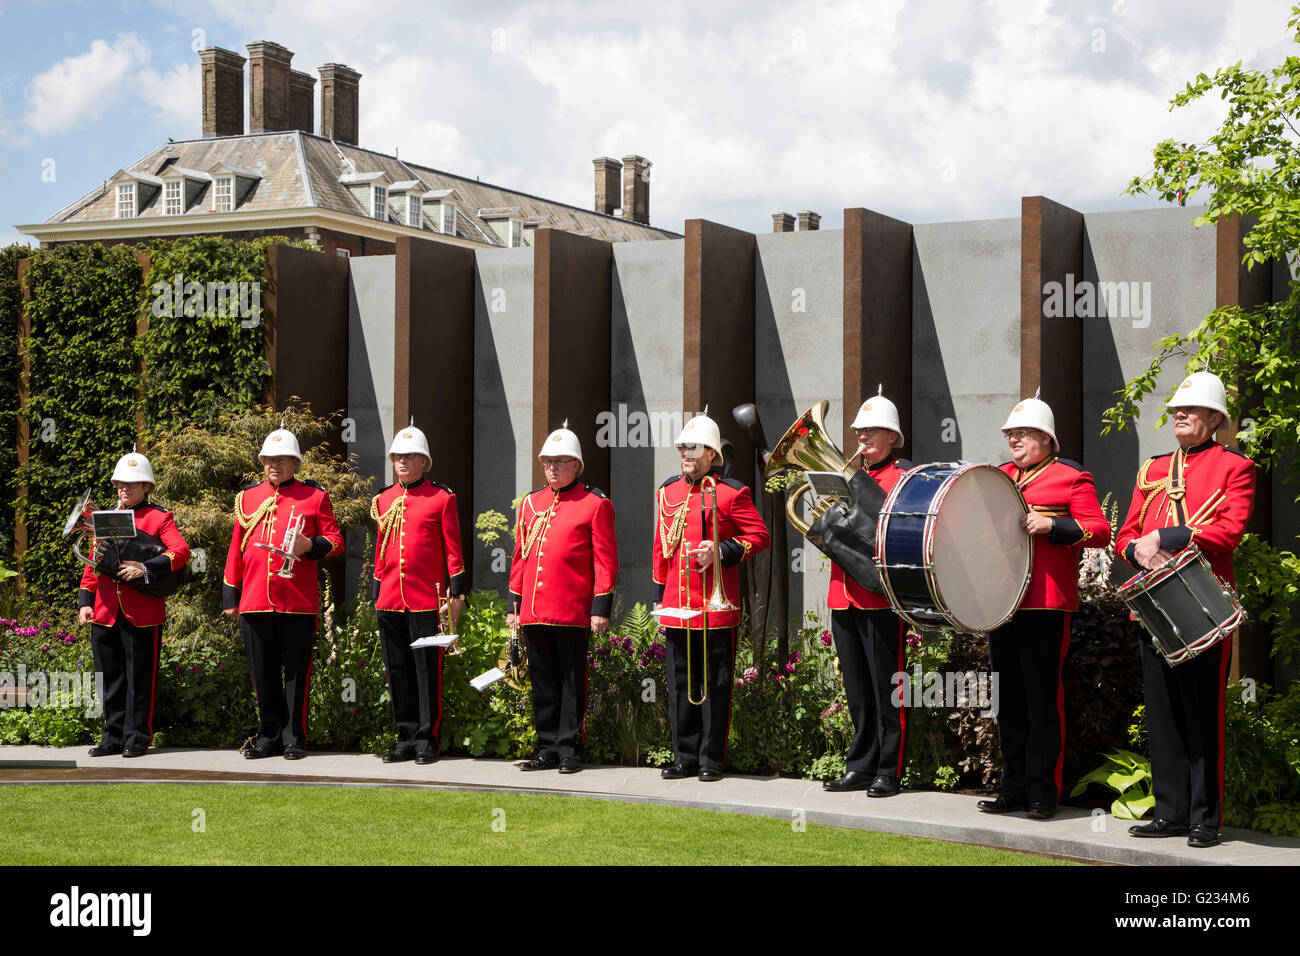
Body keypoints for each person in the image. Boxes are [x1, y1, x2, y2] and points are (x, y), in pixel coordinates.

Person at [1115, 370, 1255, 848]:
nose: (1179, 415)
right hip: (1151, 607)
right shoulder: (1151, 469)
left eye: (1190, 410)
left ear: (1214, 419)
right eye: (1176, 409)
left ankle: (1204, 818)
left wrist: (1168, 538)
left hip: (1203, 607)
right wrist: (1136, 549)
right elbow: (1124, 533)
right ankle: (1170, 812)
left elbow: (1228, 532)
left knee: (1202, 715)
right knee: (1163, 714)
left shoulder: (1234, 466)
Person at [978, 395, 1110, 819]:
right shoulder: (999, 476)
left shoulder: (1071, 477)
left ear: (1046, 439)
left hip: (1046, 604)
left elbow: (1099, 531)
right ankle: (1012, 788)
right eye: (1009, 434)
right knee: (1009, 699)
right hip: (1003, 602)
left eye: (1021, 433)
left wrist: (1052, 525)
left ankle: (1043, 793)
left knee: (1040, 699)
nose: (1012, 439)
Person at [654, 413, 770, 782]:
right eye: (682, 448)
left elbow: (759, 537)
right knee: (680, 683)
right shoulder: (667, 491)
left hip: (716, 606)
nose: (685, 454)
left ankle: (710, 760)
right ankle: (684, 757)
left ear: (710, 453)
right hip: (677, 604)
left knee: (716, 686)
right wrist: (659, 595)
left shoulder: (733, 492)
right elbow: (661, 549)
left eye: (692, 448)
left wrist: (720, 551)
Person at [223, 428, 343, 760]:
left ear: (295, 463)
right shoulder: (247, 498)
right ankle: (268, 736)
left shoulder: (314, 496)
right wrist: (230, 596)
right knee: (261, 673)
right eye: (268, 460)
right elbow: (237, 549)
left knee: (296, 673)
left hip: (297, 600)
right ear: (261, 462)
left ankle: (294, 738)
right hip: (255, 599)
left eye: (282, 460)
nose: (274, 465)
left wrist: (311, 545)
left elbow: (336, 541)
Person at [507, 423, 617, 774]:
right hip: (534, 610)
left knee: (571, 682)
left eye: (559, 461)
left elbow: (605, 560)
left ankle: (569, 748)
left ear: (576, 465)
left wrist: (601, 607)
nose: (552, 468)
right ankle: (547, 747)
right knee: (542, 681)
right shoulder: (530, 503)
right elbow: (520, 555)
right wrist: (514, 605)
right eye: (547, 462)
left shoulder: (595, 504)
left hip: (572, 611)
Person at [823, 390, 912, 796]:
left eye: (874, 430)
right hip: (842, 593)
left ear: (893, 436)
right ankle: (860, 764)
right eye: (860, 430)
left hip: (879, 596)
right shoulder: (843, 474)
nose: (864, 436)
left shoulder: (905, 477)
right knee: (857, 689)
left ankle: (889, 769)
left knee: (887, 686)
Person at [80, 452, 191, 758]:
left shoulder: (160, 517)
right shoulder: (104, 517)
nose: (123, 489)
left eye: (131, 484)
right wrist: (85, 602)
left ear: (146, 487)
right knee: (110, 679)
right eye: (119, 484)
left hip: (141, 612)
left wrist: (145, 569)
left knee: (140, 680)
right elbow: (93, 562)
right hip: (104, 611)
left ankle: (137, 737)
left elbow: (181, 552)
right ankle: (112, 737)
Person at [371, 425, 467, 765]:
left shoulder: (441, 498)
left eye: (409, 456)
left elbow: (453, 550)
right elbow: (381, 549)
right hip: (390, 598)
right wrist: (376, 591)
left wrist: (456, 593)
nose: (401, 461)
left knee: (427, 671)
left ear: (424, 461)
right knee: (396, 669)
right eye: (397, 456)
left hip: (427, 599)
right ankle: (405, 737)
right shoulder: (383, 498)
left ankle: (428, 740)